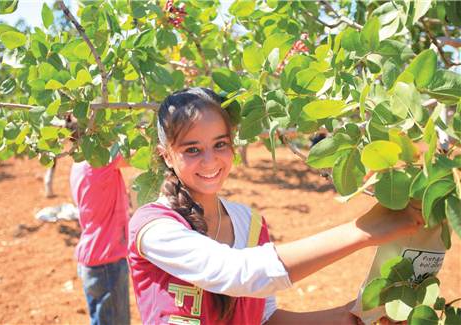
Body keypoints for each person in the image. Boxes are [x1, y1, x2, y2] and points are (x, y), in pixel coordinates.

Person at [127, 87, 423, 324]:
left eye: (220, 144)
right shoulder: (154, 226)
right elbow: (236, 273)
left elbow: (264, 317)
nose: (210, 161)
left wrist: (347, 317)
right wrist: (363, 231)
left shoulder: (250, 223)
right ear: (165, 155)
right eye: (192, 149)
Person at [70, 155, 131, 325]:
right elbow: (142, 157)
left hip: (94, 260)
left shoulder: (79, 163)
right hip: (107, 263)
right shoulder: (99, 161)